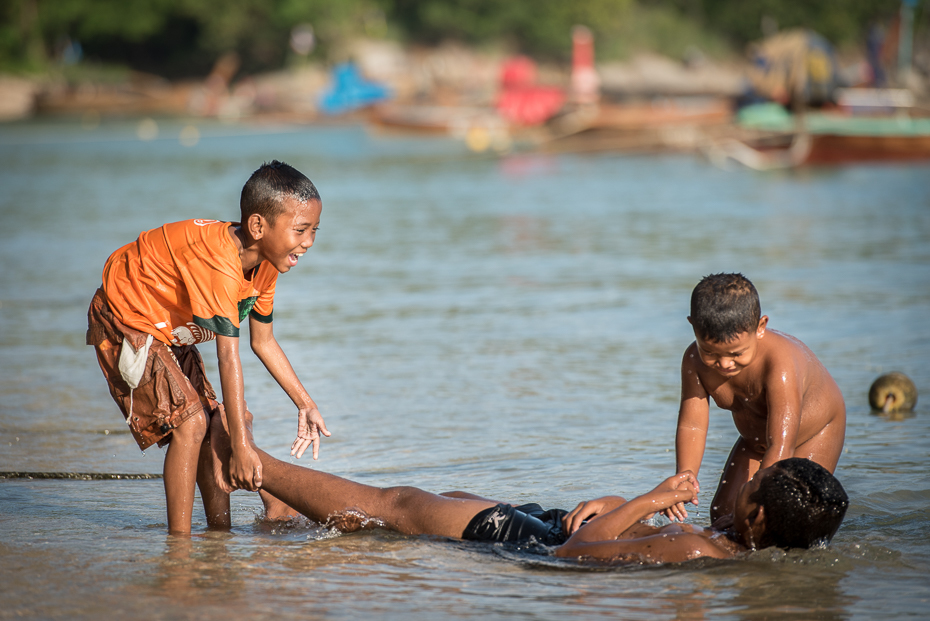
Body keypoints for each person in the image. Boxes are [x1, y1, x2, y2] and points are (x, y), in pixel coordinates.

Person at [211, 408, 848, 564]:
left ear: (761, 521)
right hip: (544, 525)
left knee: (395, 507)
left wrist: (650, 499)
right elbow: (618, 540)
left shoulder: (702, 551)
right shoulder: (731, 540)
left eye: (753, 492)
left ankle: (256, 464)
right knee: (431, 498)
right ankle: (282, 507)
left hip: (535, 547)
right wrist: (615, 506)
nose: (742, 491)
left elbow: (577, 560)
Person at [86, 160, 330, 534]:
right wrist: (244, 452)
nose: (309, 242)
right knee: (191, 422)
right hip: (125, 313)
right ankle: (179, 546)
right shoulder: (220, 262)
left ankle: (220, 535)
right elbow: (227, 355)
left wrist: (305, 402)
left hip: (169, 321)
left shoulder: (265, 263)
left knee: (224, 421)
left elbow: (262, 341)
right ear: (258, 226)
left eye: (314, 230)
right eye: (300, 230)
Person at [668, 273, 846, 523]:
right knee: (722, 514)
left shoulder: (779, 363)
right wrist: (685, 476)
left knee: (785, 519)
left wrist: (758, 499)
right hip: (756, 440)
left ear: (760, 327)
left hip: (813, 433)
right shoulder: (694, 361)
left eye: (736, 353)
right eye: (710, 352)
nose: (724, 363)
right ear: (693, 327)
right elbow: (692, 424)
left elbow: (781, 444)